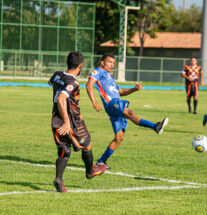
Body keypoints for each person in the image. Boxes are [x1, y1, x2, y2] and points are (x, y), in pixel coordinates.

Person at [86, 53, 168, 168]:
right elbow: (89, 85)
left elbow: (121, 92)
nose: (112, 65)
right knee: (130, 113)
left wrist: (135, 89)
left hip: (115, 105)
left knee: (119, 137)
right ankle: (155, 126)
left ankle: (101, 161)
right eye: (109, 62)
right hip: (111, 103)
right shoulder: (98, 71)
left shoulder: (110, 77)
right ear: (102, 62)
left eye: (113, 63)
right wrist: (94, 102)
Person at [49, 51, 107, 192]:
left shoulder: (57, 74)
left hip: (56, 119)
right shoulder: (73, 82)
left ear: (67, 62)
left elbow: (51, 83)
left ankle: (59, 179)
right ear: (80, 66)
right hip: (72, 121)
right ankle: (90, 171)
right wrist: (67, 122)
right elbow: (62, 98)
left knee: (63, 151)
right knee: (87, 144)